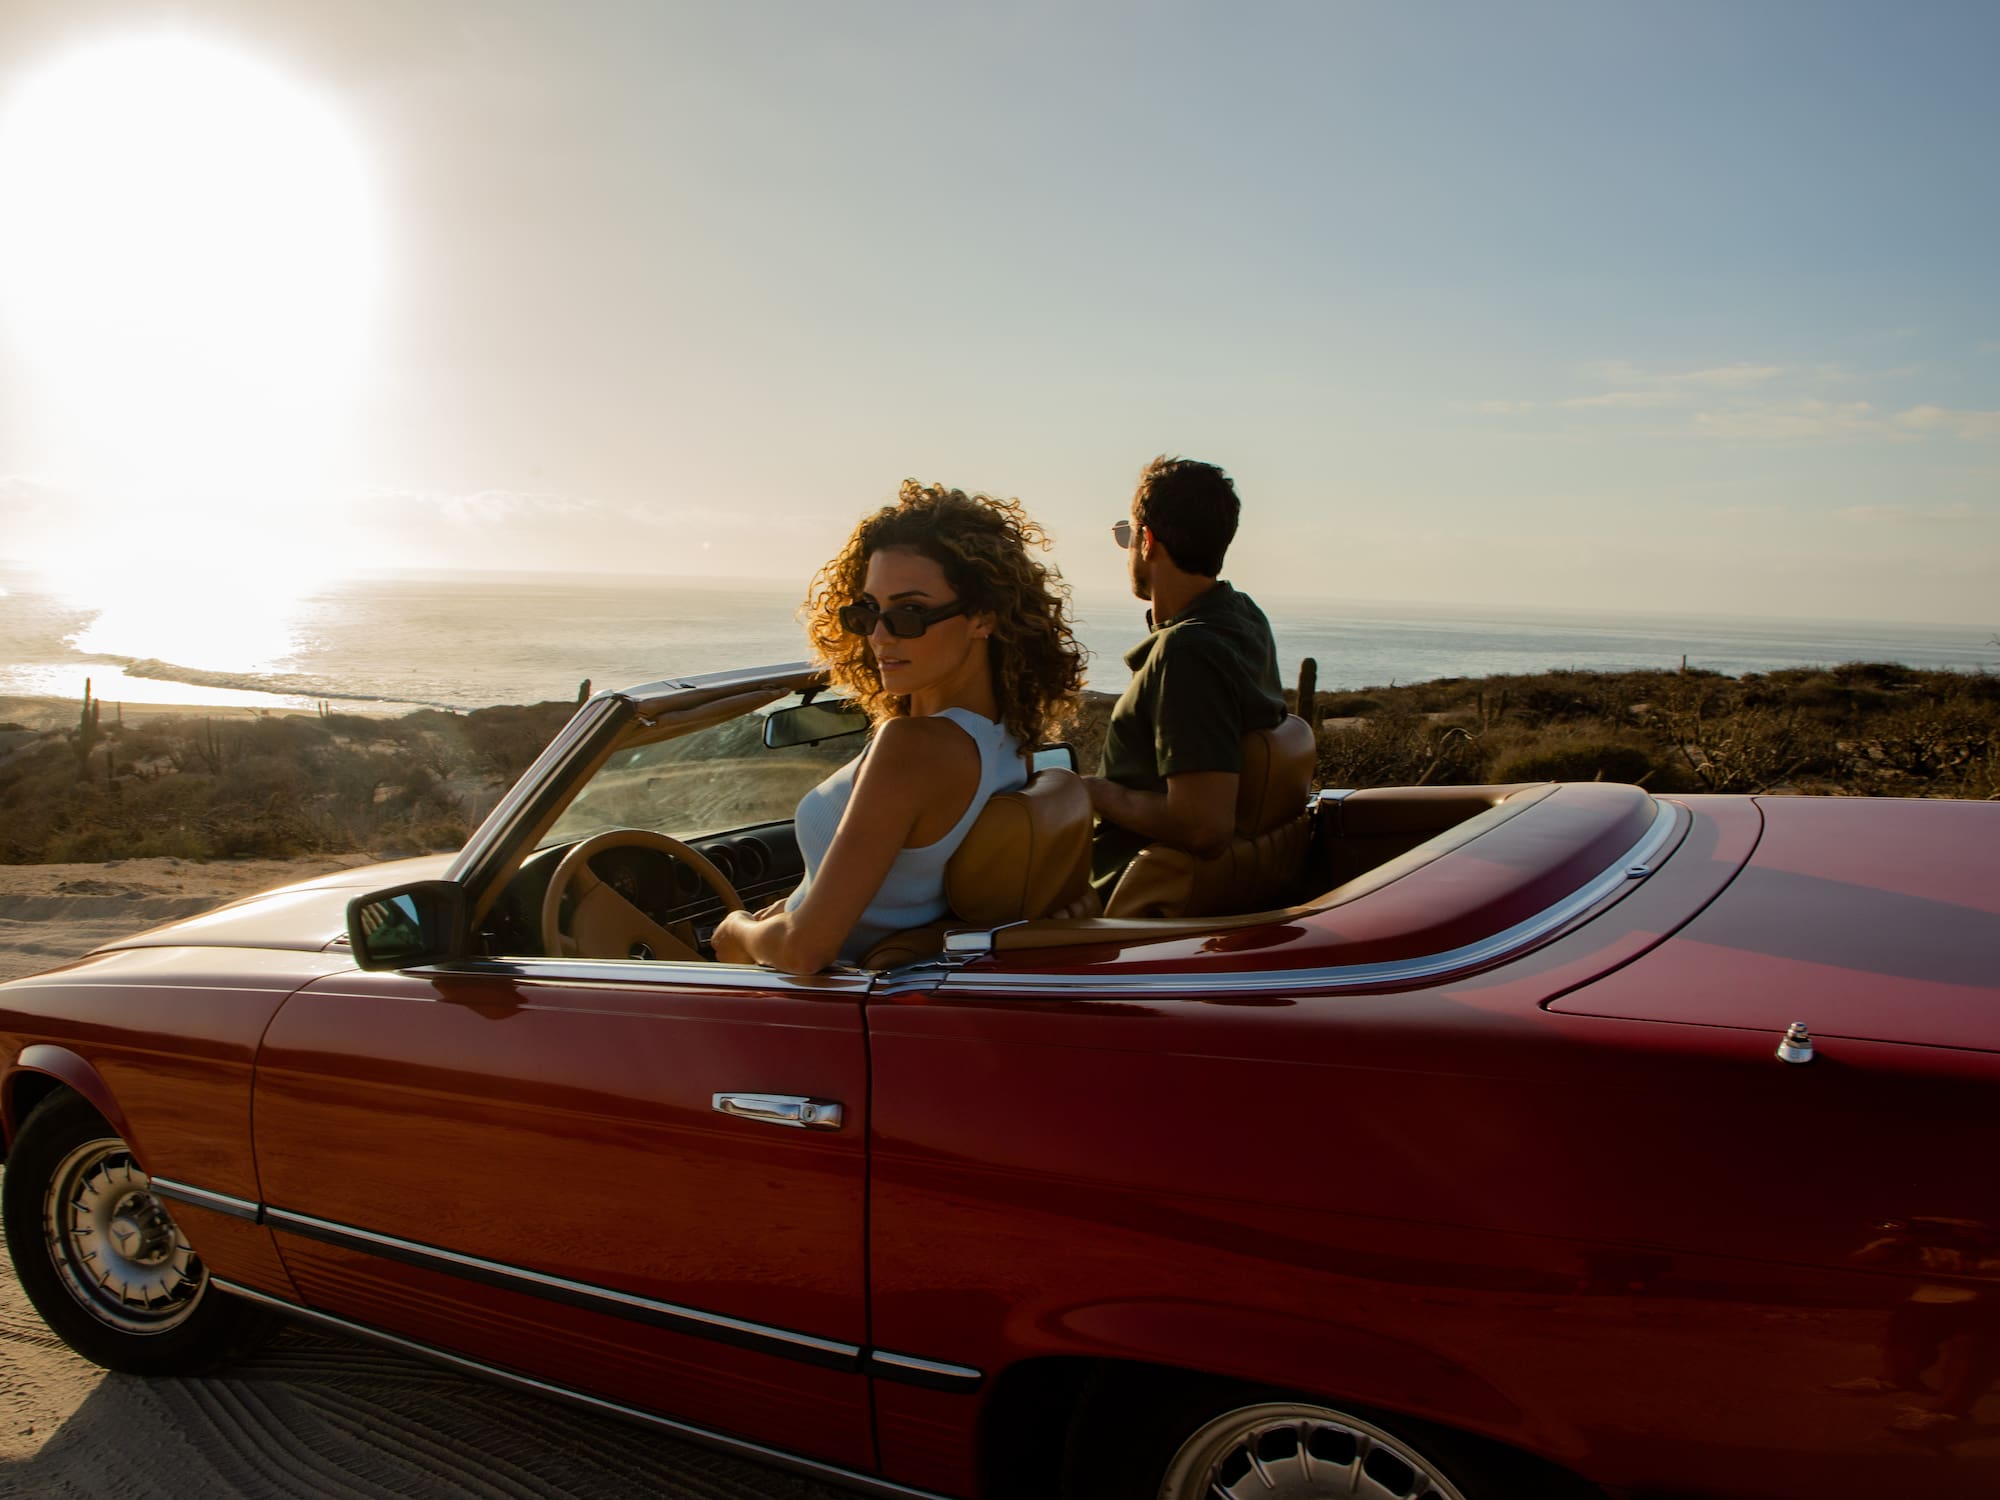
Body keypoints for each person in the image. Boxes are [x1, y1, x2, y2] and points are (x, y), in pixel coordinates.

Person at [713, 480, 1084, 973]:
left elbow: (805, 950)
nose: (881, 636)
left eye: (911, 612)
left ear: (983, 618)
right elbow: (897, 894)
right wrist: (791, 909)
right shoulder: (1008, 742)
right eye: (869, 611)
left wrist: (736, 930)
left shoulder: (912, 747)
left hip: (808, 992)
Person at [1084, 455, 1285, 898]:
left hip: (1116, 901)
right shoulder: (1244, 619)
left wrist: (1093, 792)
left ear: (1147, 541)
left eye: (1128, 535)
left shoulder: (1187, 652)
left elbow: (1203, 825)